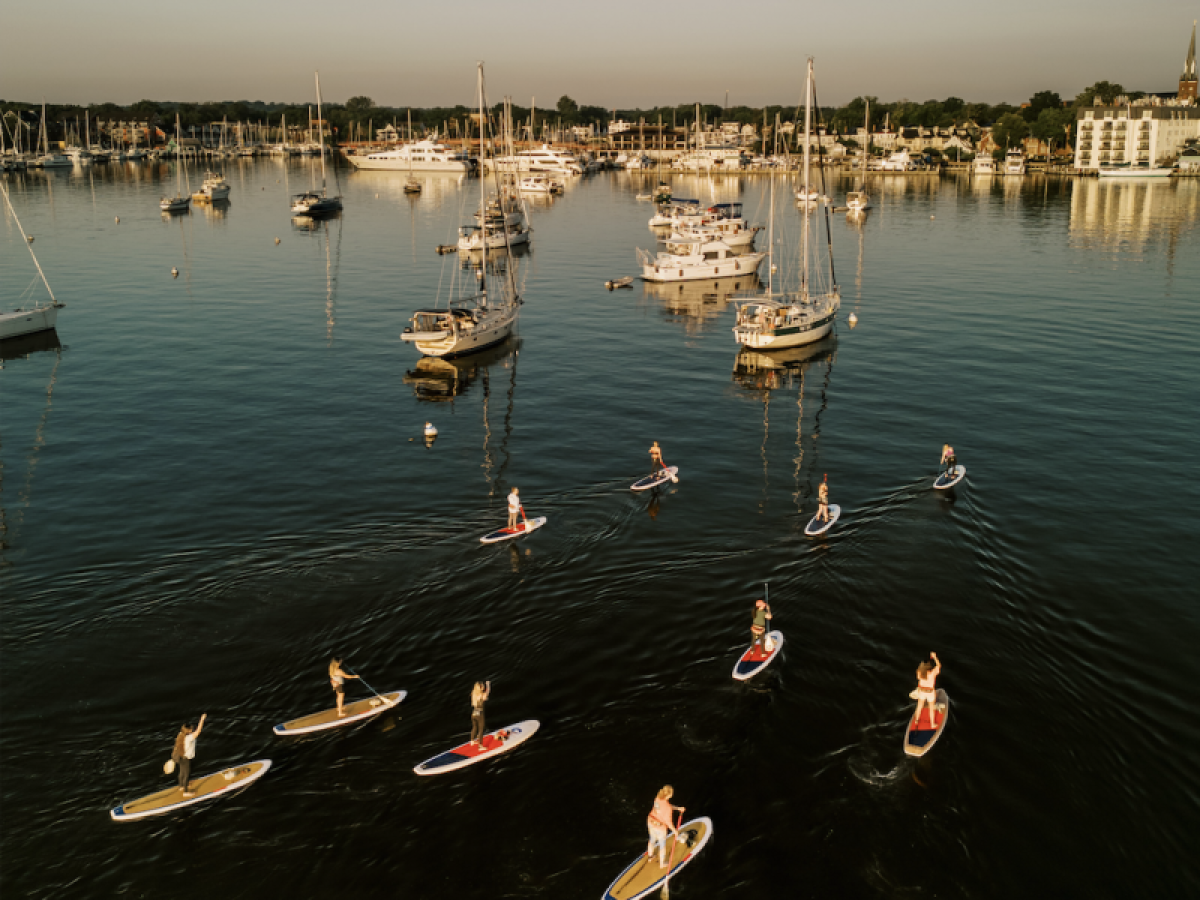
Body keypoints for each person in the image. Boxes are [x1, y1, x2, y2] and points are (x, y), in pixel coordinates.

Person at [646, 785, 685, 869]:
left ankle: (650, 856)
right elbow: (668, 822)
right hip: (660, 827)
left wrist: (678, 808)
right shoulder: (668, 808)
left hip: (651, 822)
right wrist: (675, 831)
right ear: (670, 794)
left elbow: (666, 806)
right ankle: (662, 864)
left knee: (652, 839)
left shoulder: (657, 798)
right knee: (662, 845)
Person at [172, 713, 207, 797]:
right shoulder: (189, 738)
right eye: (191, 729)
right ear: (188, 731)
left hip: (180, 757)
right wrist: (202, 720)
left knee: (181, 773)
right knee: (186, 774)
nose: (192, 729)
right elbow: (198, 731)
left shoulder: (180, 735)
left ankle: (181, 786)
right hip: (186, 758)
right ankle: (185, 792)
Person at [914, 652, 942, 728]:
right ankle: (932, 724)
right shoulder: (932, 673)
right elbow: (939, 665)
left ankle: (916, 720)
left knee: (919, 706)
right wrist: (935, 657)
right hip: (930, 692)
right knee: (931, 708)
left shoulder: (919, 672)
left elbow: (918, 678)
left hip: (922, 691)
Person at [470, 680, 491, 748]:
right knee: (481, 730)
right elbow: (488, 691)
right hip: (480, 715)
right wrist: (488, 684)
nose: (483, 686)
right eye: (482, 685)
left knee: (475, 727)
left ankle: (472, 741)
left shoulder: (473, 694)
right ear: (480, 688)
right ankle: (480, 746)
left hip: (473, 714)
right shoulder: (482, 695)